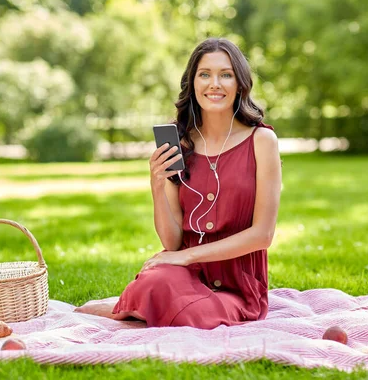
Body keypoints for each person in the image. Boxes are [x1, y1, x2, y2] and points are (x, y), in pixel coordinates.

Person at [75, 38, 281, 329]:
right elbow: (171, 242)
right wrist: (157, 185)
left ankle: (132, 308)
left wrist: (185, 257)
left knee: (196, 314)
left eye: (226, 74)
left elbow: (263, 235)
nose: (215, 84)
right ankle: (146, 303)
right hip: (185, 276)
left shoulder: (261, 141)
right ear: (193, 83)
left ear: (240, 83)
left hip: (238, 289)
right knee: (158, 279)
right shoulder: (180, 144)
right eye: (205, 74)